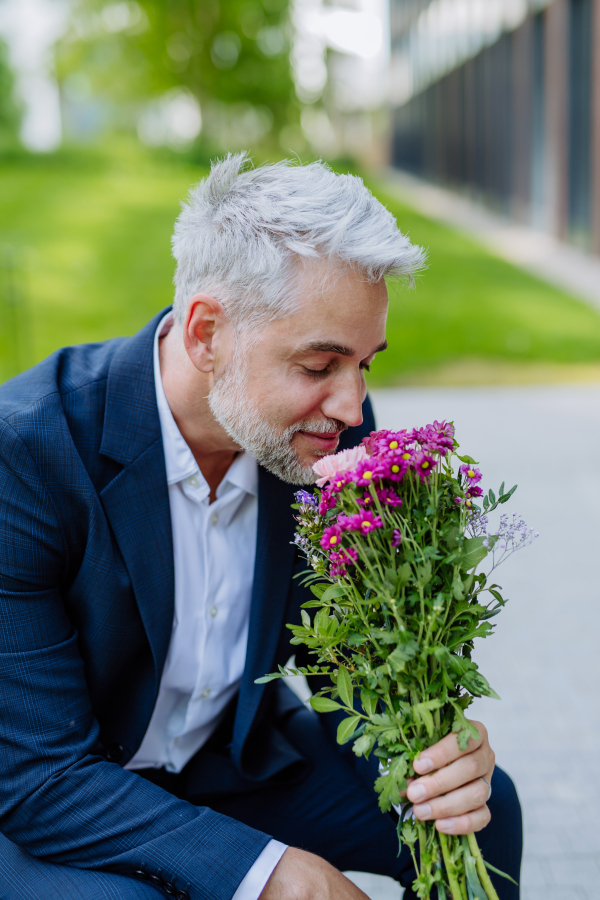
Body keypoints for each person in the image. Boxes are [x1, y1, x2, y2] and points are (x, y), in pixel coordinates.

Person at [0, 154, 522, 900]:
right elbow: (38, 775)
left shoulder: (321, 436)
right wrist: (270, 872)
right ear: (207, 333)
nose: (352, 407)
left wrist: (433, 747)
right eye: (320, 365)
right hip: (59, 806)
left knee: (482, 810)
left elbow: (349, 661)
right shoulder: (25, 453)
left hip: (232, 763)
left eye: (367, 364)